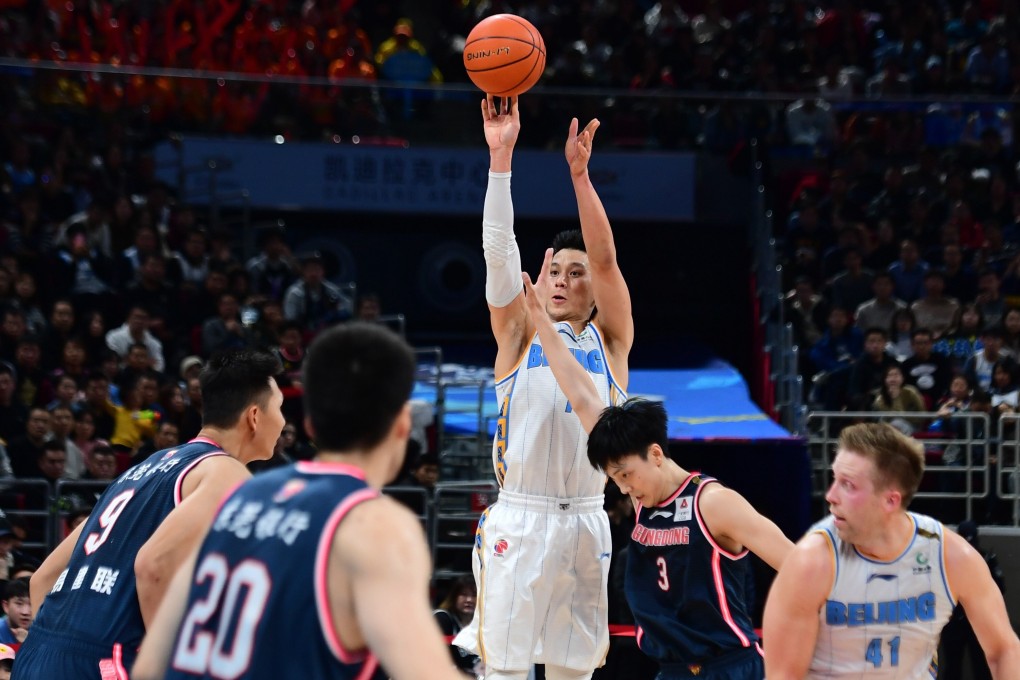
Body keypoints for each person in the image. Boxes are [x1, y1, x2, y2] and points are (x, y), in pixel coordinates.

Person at [132, 323, 468, 680]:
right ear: (402, 424)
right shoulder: (375, 523)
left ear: (309, 426)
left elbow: (150, 668)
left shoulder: (240, 496)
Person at [520, 255, 793, 678]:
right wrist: (539, 320)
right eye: (616, 481)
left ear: (657, 453)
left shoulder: (715, 503)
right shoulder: (638, 481)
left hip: (727, 667)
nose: (625, 489)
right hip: (669, 670)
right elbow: (579, 391)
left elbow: (796, 566)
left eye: (626, 475)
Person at [452, 96, 635, 680]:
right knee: (503, 671)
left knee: (572, 673)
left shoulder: (611, 343)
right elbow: (498, 251)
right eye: (554, 270)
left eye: (573, 274)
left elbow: (605, 260)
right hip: (520, 517)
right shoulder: (517, 332)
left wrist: (580, 178)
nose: (561, 281)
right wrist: (500, 158)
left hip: (585, 518)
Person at [12, 348, 285, 678]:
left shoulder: (142, 468)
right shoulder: (226, 472)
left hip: (39, 653)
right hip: (107, 659)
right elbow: (153, 565)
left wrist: (56, 652)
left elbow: (42, 578)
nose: (284, 421)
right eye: (280, 408)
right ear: (254, 416)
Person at [762, 422, 1020, 679]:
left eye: (847, 485)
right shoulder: (811, 561)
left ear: (890, 500)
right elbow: (783, 675)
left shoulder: (950, 555)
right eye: (834, 479)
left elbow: (1004, 648)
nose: (830, 495)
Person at [939, 520, 1006, 680]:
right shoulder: (946, 560)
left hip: (979, 621)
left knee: (982, 666)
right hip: (955, 620)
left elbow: (1001, 588)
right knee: (952, 666)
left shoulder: (986, 559)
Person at [434, 576, 484, 678]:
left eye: (474, 595)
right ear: (454, 597)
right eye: (463, 594)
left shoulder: (483, 625)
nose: (469, 600)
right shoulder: (443, 618)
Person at [0, 579, 30, 645]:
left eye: (31, 604)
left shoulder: (43, 633)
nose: (25, 612)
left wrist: (28, 643)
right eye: (19, 603)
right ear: (6, 606)